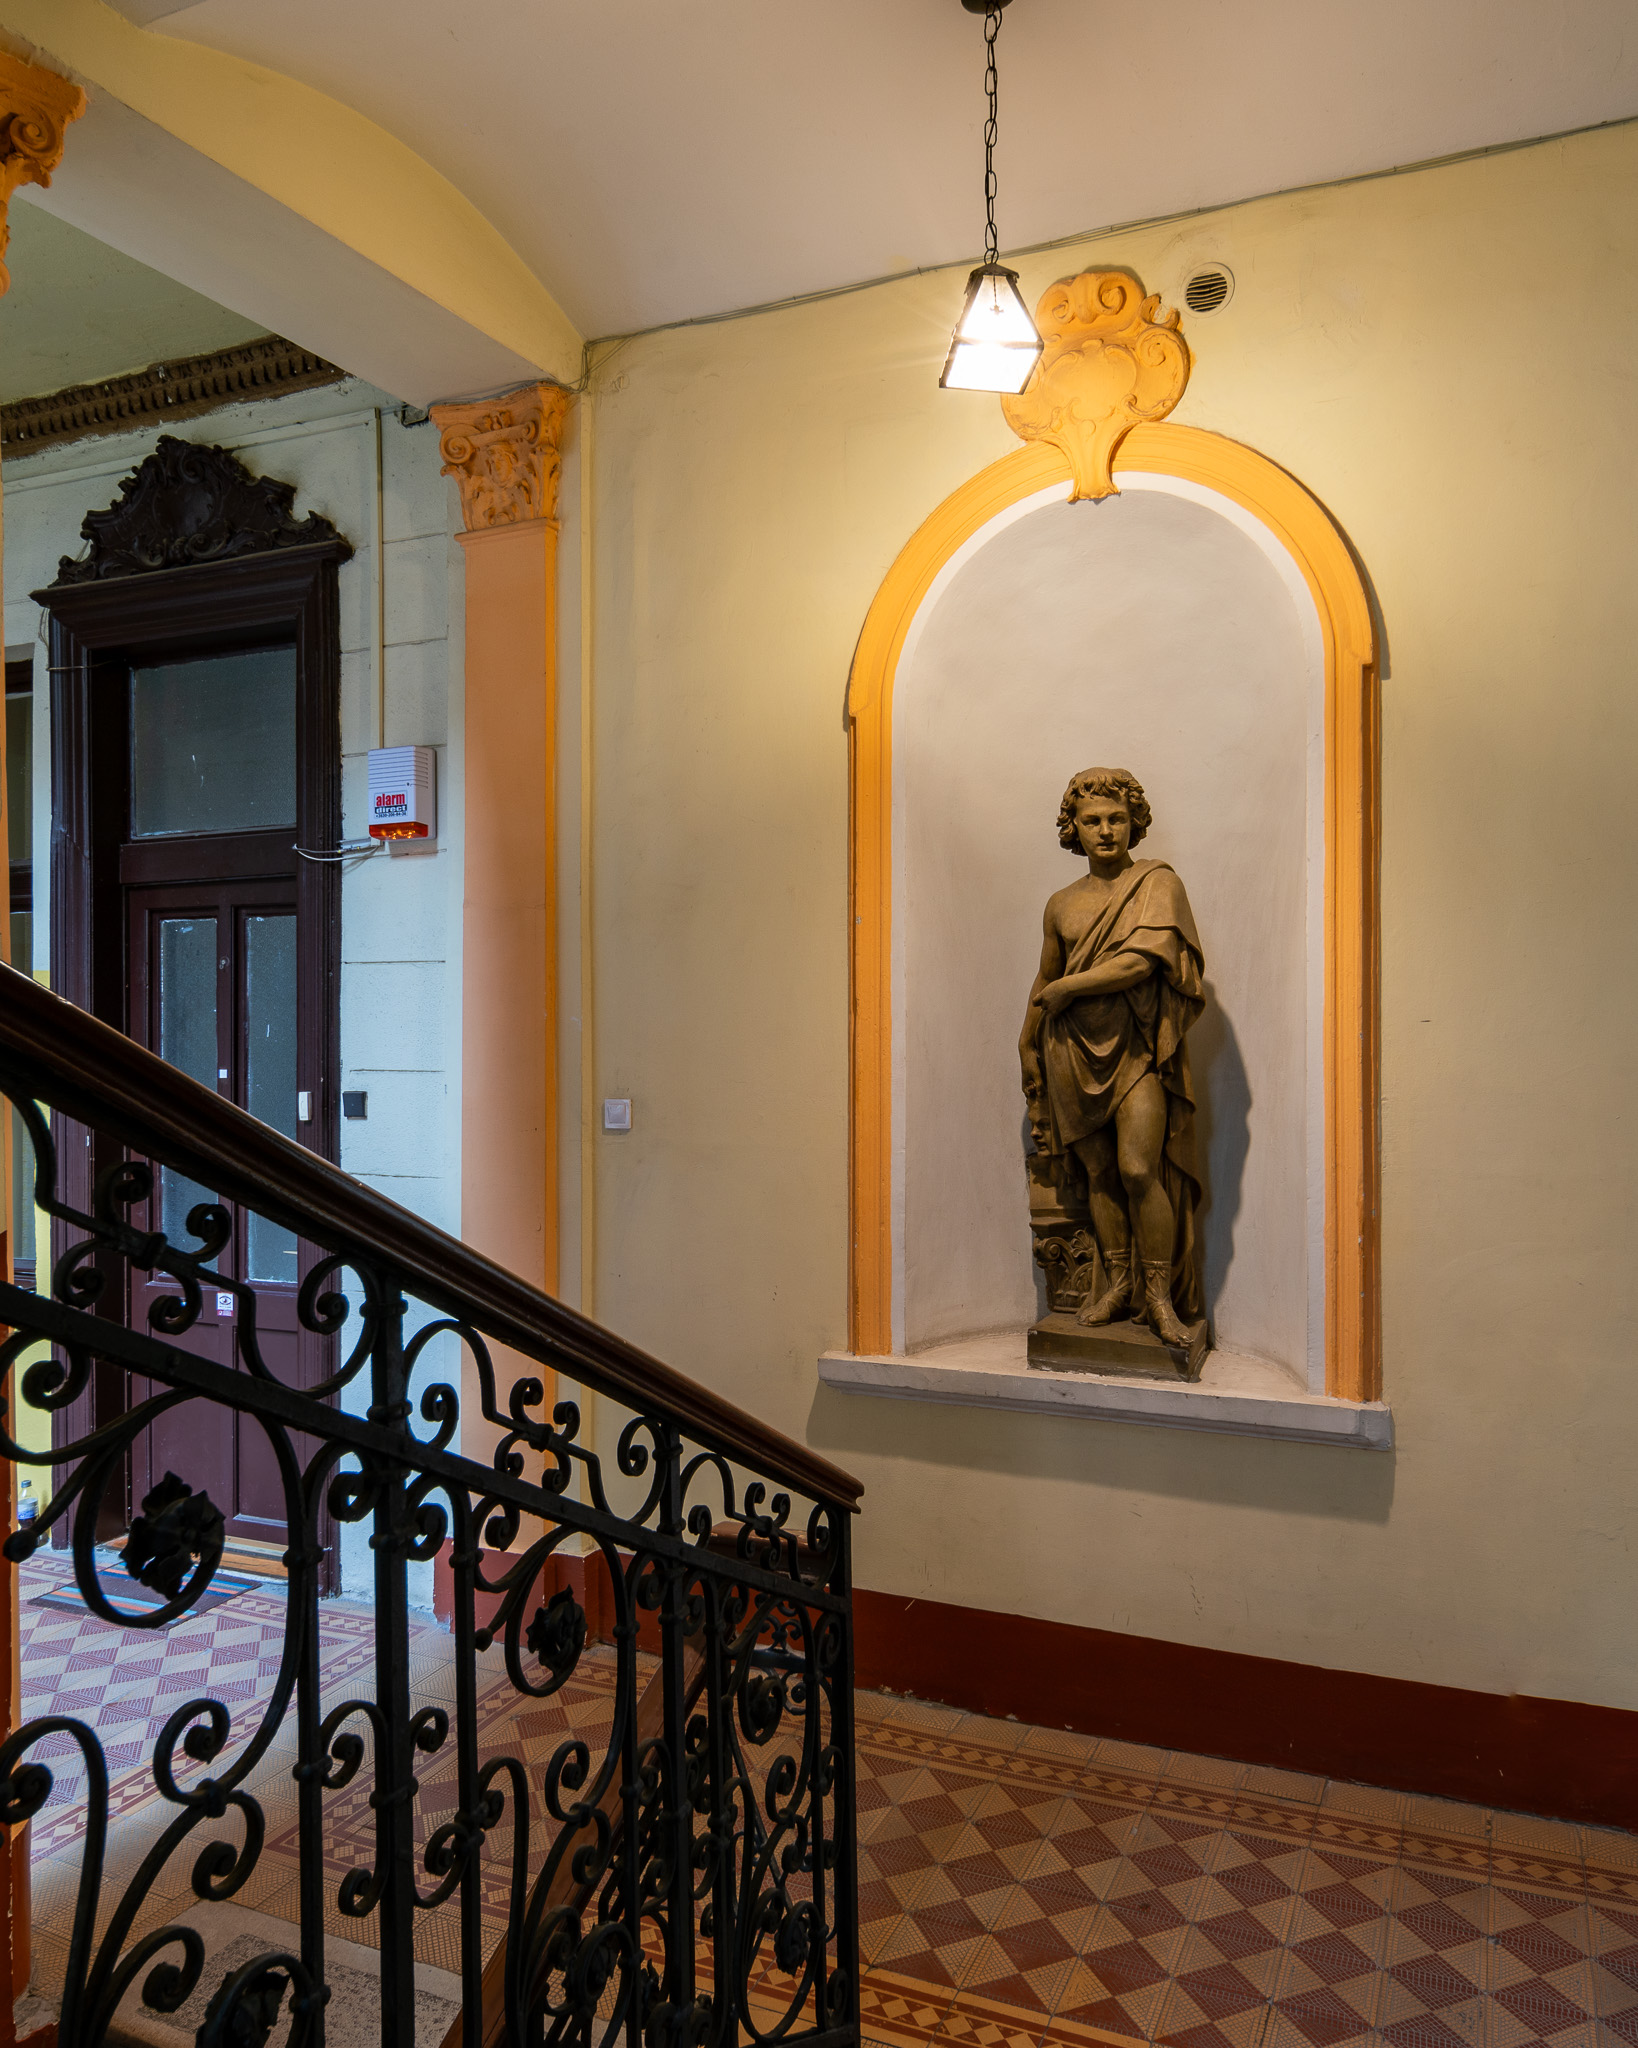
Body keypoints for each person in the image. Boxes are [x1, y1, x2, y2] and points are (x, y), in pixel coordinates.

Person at [1019, 767, 1205, 1348]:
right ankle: (1119, 1281)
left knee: (1137, 1168)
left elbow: (1141, 962)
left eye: (1117, 819)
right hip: (1069, 1051)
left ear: (1135, 823)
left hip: (1135, 1048)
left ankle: (1158, 1296)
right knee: (1099, 1173)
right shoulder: (1060, 905)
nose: (1106, 830)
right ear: (1073, 827)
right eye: (1093, 820)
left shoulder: (1156, 884)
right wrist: (1026, 1045)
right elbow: (1044, 980)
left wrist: (1070, 991)